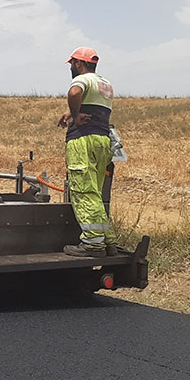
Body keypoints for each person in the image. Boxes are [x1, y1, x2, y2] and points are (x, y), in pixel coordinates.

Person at [56, 46, 115, 257]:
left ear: (78, 63)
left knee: (82, 191)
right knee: (95, 193)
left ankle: (92, 244)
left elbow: (75, 92)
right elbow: (93, 105)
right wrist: (71, 113)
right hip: (102, 140)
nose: (71, 67)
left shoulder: (81, 80)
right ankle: (106, 240)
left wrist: (75, 114)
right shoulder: (104, 83)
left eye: (72, 63)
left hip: (83, 141)